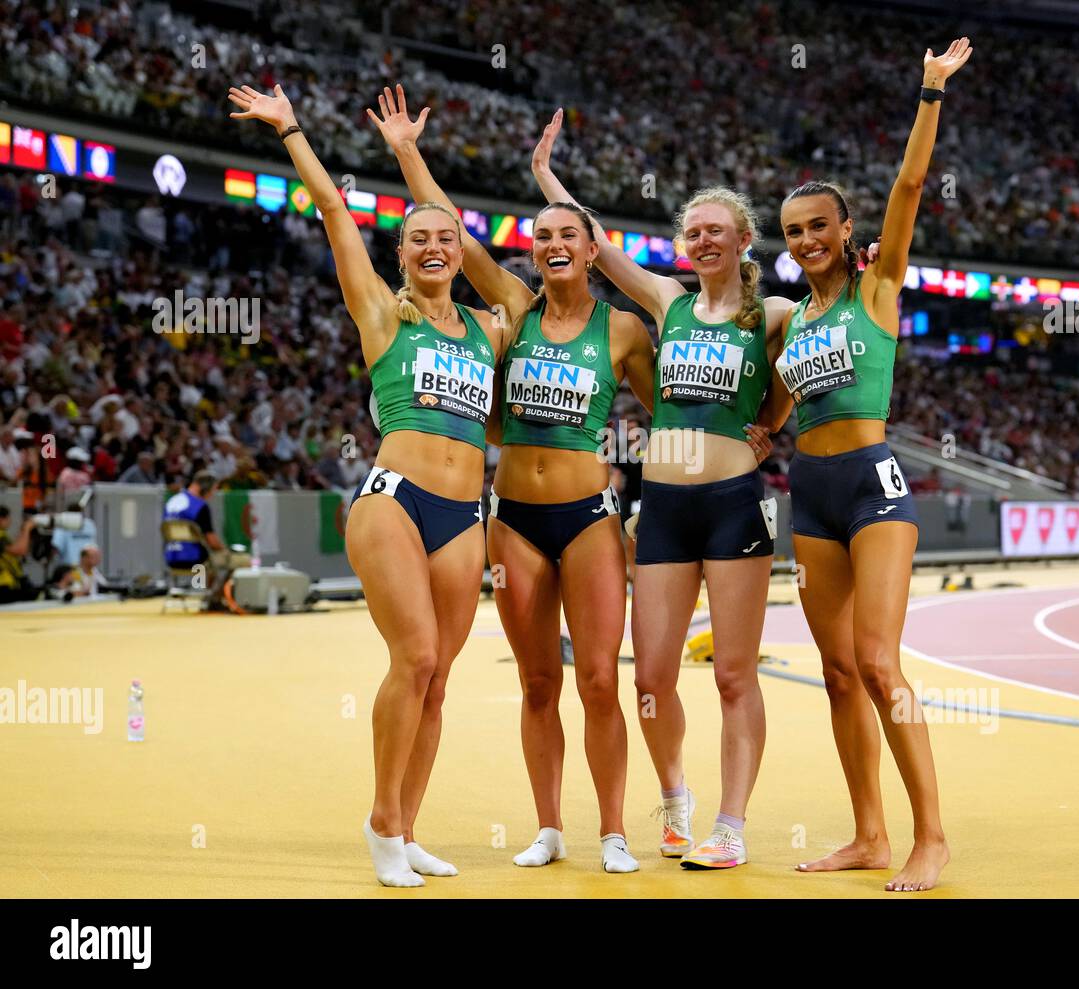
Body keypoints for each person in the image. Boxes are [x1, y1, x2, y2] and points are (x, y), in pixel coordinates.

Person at [370, 85, 658, 872]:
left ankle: (613, 832)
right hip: (513, 519)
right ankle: (550, 828)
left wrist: (708, 466)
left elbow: (675, 417)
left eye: (568, 234)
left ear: (592, 249)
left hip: (592, 518)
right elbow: (453, 237)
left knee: (599, 678)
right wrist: (406, 154)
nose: (553, 243)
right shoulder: (516, 308)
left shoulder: (624, 329)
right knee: (538, 682)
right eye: (543, 235)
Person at [230, 82, 502, 887]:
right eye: (417, 238)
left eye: (444, 238)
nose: (431, 247)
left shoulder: (490, 329)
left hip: (465, 511)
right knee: (414, 656)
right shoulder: (384, 314)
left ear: (458, 250)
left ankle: (409, 824)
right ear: (402, 253)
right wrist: (292, 132)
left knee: (441, 677)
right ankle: (383, 822)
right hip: (395, 502)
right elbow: (334, 212)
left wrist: (415, 160)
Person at [532, 110, 789, 870]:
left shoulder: (768, 315)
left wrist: (772, 419)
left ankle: (731, 824)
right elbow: (595, 245)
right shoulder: (666, 301)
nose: (704, 239)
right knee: (649, 676)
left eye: (718, 229)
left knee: (736, 674)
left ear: (744, 240)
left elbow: (814, 358)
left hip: (736, 503)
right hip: (668, 508)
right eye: (694, 231)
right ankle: (674, 798)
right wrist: (547, 177)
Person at [769, 37, 972, 891]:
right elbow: (778, 405)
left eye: (819, 226)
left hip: (873, 488)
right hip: (807, 493)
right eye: (793, 232)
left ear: (845, 231)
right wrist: (755, 436)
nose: (808, 239)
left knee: (881, 661)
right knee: (838, 670)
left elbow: (911, 187)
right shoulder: (791, 324)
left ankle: (931, 835)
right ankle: (868, 832)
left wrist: (929, 93)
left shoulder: (876, 289)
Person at [0, 505, 37, 604]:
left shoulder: (3, 535)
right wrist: (26, 529)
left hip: (9, 583)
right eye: (8, 518)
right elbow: (20, 550)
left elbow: (16, 547)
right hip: (3, 585)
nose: (10, 521)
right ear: (2, 519)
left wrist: (23, 531)